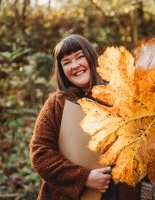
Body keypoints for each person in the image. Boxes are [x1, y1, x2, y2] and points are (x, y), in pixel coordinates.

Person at [29, 34, 141, 200]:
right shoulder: (56, 104)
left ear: (90, 58)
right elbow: (40, 153)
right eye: (66, 62)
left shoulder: (119, 96)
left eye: (79, 57)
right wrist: (84, 178)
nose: (75, 66)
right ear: (61, 69)